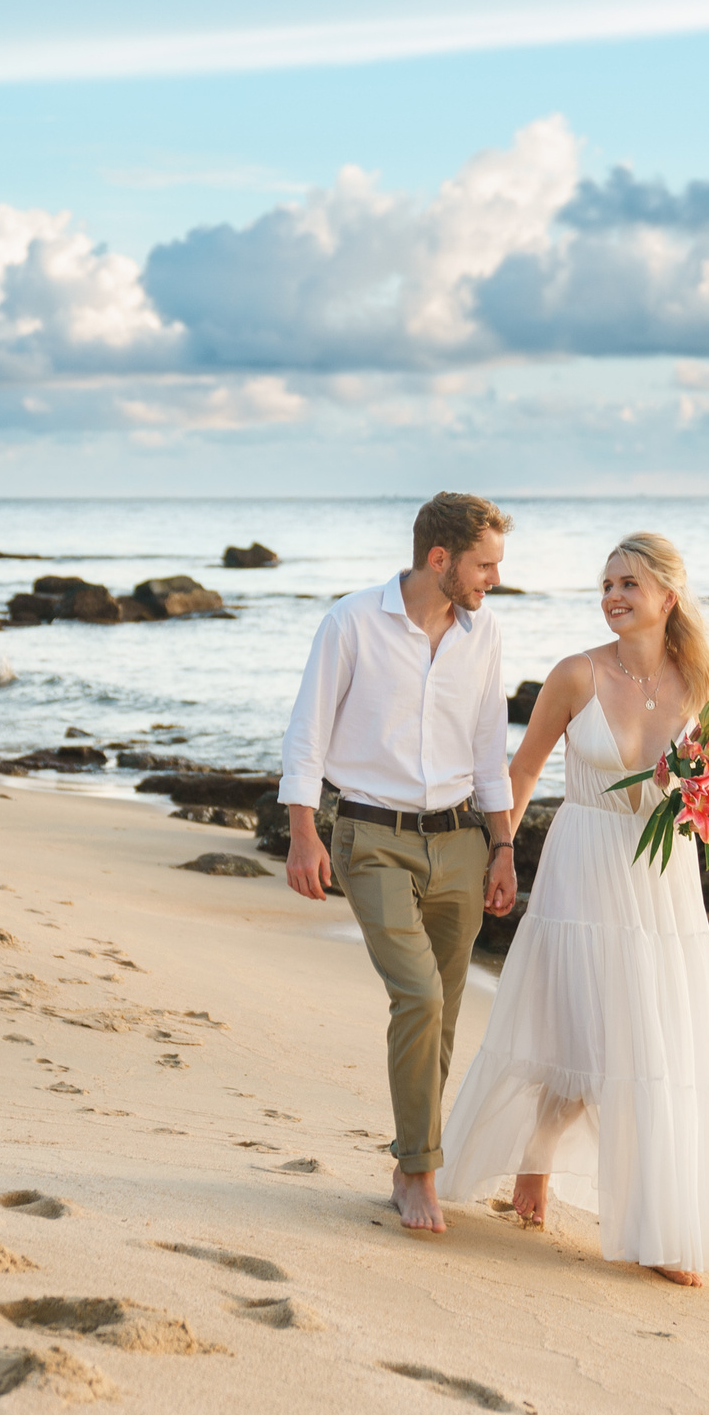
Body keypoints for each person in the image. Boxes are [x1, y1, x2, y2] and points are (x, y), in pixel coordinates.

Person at [440, 533, 709, 1285]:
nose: (614, 596)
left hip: (661, 878)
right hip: (583, 862)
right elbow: (523, 770)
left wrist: (701, 801)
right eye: (607, 584)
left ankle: (655, 1222)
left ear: (668, 598)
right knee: (579, 1018)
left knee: (655, 1040)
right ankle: (548, 1168)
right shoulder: (577, 674)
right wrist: (502, 852)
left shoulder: (700, 685)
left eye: (629, 583)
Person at [279, 492, 520, 1232]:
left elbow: (490, 748)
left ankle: (413, 1160)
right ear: (439, 559)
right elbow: (307, 731)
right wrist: (302, 832)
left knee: (443, 1009)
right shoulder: (351, 622)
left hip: (461, 840)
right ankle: (418, 1171)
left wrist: (503, 846)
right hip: (371, 837)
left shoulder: (484, 634)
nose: (495, 579)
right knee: (418, 995)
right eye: (484, 565)